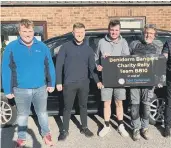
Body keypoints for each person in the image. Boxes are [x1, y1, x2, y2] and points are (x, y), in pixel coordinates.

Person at [2, 19, 55, 147]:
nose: (27, 34)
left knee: (42, 113)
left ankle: (46, 133)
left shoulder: (42, 47)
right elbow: (5, 69)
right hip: (21, 89)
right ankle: (21, 138)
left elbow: (50, 66)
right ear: (19, 31)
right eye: (24, 31)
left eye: (30, 31)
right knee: (22, 115)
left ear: (34, 31)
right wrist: (7, 90)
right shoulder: (11, 47)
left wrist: (51, 83)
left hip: (40, 88)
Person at [56, 23, 103, 140]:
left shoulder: (88, 49)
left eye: (82, 32)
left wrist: (97, 80)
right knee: (67, 108)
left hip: (84, 83)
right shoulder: (65, 47)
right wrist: (58, 82)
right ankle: (64, 130)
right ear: (73, 33)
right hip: (69, 83)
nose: (79, 34)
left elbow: (92, 67)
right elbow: (59, 65)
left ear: (84, 33)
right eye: (77, 32)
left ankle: (84, 128)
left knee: (83, 106)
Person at [95, 19, 130, 137]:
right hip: (106, 78)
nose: (114, 32)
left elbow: (127, 59)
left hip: (120, 78)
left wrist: (114, 58)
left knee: (119, 102)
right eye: (112, 30)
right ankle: (106, 126)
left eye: (116, 30)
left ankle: (120, 125)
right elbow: (96, 58)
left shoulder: (124, 42)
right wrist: (98, 66)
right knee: (106, 103)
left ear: (119, 31)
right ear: (108, 30)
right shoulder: (101, 42)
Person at [129, 24, 161, 141]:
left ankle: (145, 128)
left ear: (154, 35)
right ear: (143, 33)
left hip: (149, 83)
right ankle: (136, 128)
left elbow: (160, 64)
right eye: (147, 33)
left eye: (151, 33)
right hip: (134, 81)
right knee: (135, 106)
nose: (148, 35)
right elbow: (124, 60)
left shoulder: (158, 47)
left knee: (146, 106)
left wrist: (159, 79)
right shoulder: (134, 44)